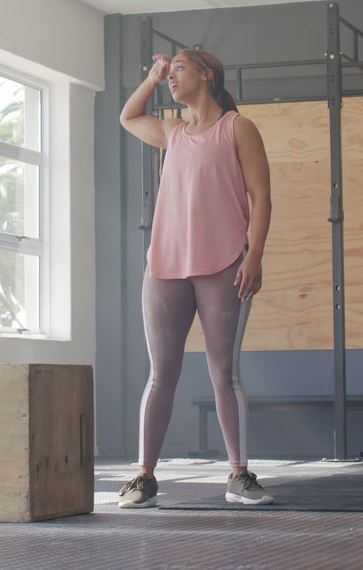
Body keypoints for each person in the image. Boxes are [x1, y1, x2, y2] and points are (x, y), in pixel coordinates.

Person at [116, 48, 273, 508]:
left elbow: (262, 197)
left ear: (208, 75)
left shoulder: (238, 128)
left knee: (225, 372)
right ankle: (144, 476)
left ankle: (239, 475)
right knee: (161, 373)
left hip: (225, 263)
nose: (171, 78)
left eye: (178, 69)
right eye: (170, 72)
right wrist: (151, 75)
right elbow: (129, 116)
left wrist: (255, 256)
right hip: (166, 266)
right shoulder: (173, 132)